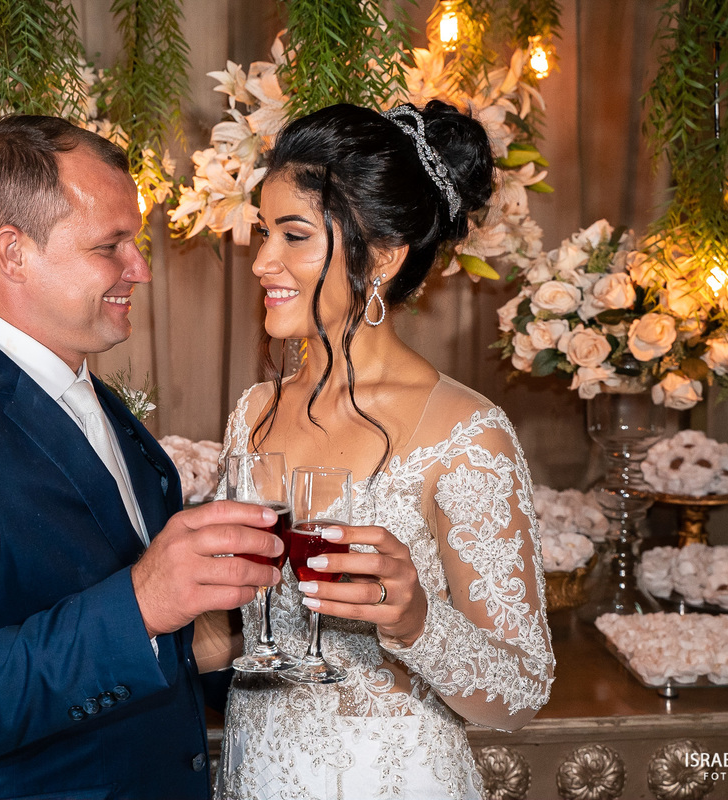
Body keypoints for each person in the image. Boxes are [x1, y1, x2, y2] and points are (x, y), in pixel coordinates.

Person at [0, 115, 283, 800]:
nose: (141, 269)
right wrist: (140, 606)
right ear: (12, 253)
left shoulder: (101, 405)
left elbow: (156, 650)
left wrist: (225, 638)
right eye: (112, 246)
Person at [215, 101, 555, 800]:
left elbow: (522, 691)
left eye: (294, 235)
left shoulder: (467, 433)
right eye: (262, 232)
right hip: (256, 773)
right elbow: (241, 634)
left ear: (384, 255)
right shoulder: (253, 411)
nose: (261, 261)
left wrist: (416, 620)